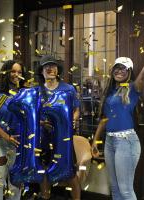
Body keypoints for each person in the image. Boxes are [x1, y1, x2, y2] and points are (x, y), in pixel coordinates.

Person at [91, 34, 144, 200]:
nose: (119, 71)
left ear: (130, 72)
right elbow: (105, 119)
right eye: (117, 68)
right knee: (115, 188)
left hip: (126, 142)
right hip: (110, 142)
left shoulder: (133, 88)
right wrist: (95, 142)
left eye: (124, 68)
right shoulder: (110, 92)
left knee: (125, 190)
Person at [36, 55, 81, 200]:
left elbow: (76, 110)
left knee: (71, 173)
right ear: (41, 71)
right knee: (44, 170)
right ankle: (45, 197)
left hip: (64, 138)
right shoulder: (37, 91)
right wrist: (41, 123)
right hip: (43, 137)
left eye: (53, 66)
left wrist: (70, 121)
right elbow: (32, 114)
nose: (50, 68)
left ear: (57, 70)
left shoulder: (68, 89)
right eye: (46, 66)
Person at [0, 60, 25, 200]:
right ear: (6, 73)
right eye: (13, 71)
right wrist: (5, 136)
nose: (16, 75)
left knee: (16, 182)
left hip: (18, 143)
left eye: (19, 72)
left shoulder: (24, 94)